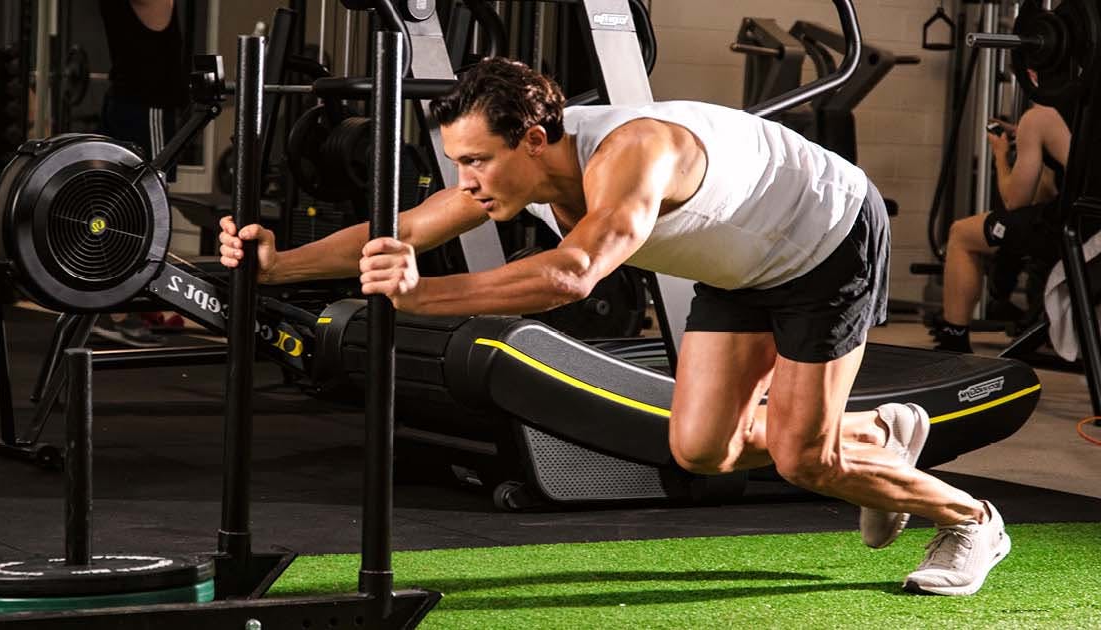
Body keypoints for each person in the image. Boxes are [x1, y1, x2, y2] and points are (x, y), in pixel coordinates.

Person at [219, 58, 1010, 596]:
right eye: (459, 163)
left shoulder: (633, 153)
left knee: (804, 459)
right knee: (702, 449)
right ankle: (873, 439)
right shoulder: (514, 168)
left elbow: (571, 276)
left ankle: (972, 520)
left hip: (826, 242)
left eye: (478, 163)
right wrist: (280, 264)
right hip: (742, 268)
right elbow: (408, 225)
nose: (468, 182)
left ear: (533, 140)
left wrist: (418, 299)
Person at [934, 100, 1072, 353]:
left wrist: (1000, 154)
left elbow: (1014, 201)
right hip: (1086, 223)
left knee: (962, 234)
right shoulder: (1084, 114)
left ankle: (953, 340)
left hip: (1075, 230)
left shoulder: (1041, 117)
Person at [93, 0, 192, 347]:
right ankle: (117, 310)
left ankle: (134, 298)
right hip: (143, 107)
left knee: (127, 208)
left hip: (132, 103)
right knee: (143, 212)